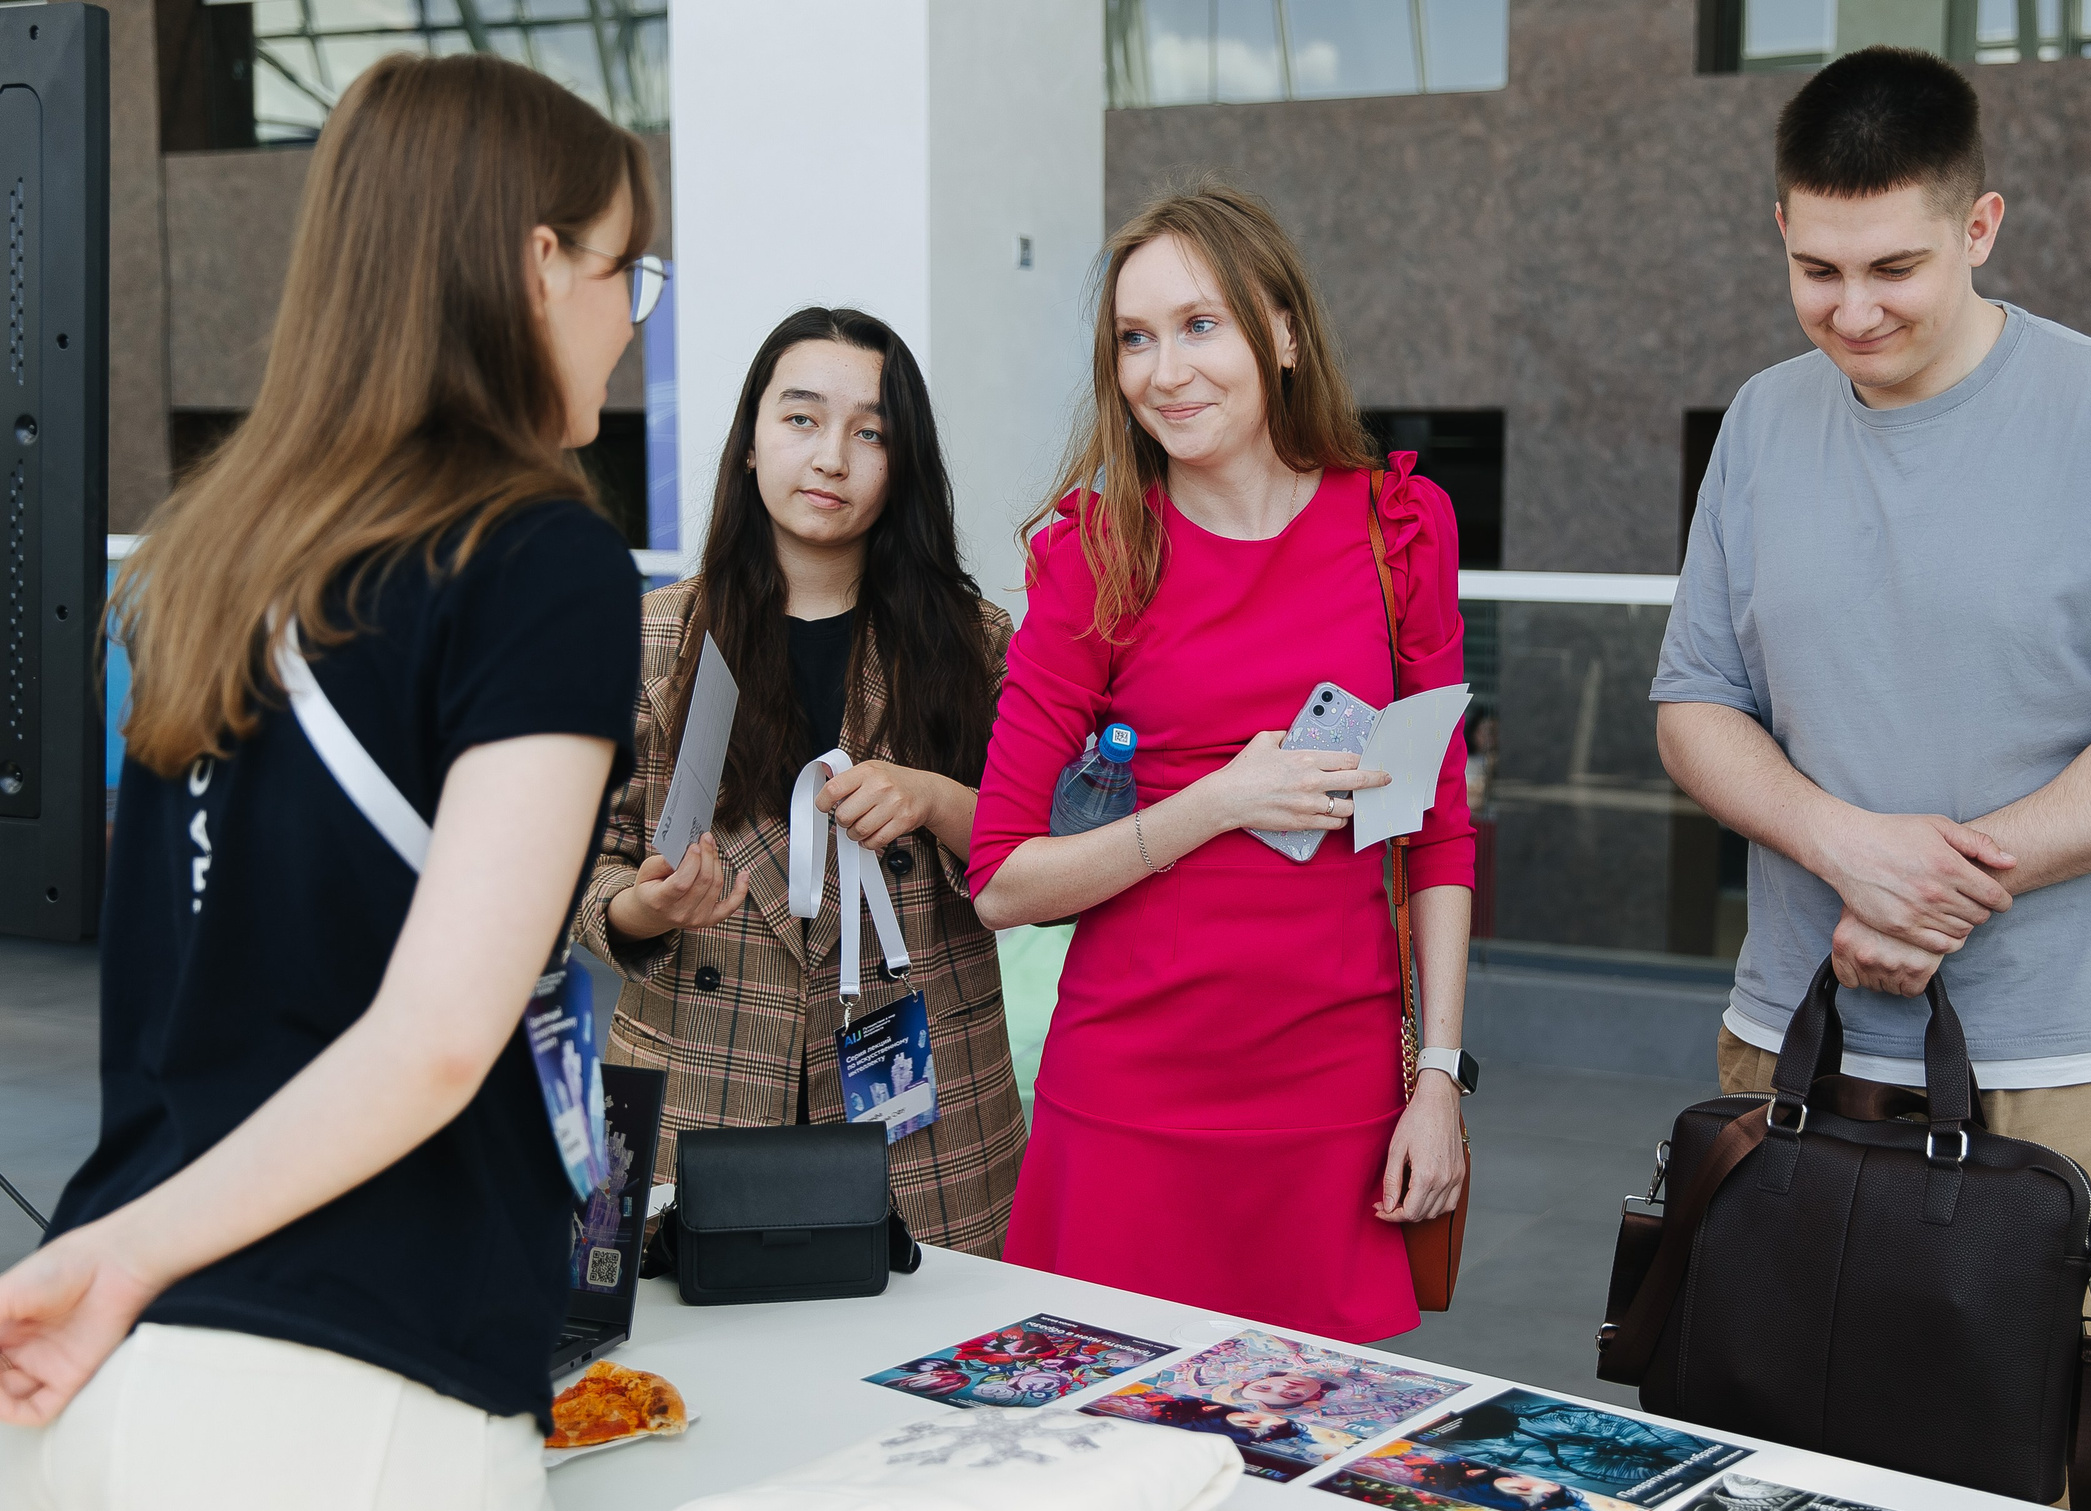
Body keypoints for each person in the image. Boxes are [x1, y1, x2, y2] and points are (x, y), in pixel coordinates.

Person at [0, 55, 654, 1511]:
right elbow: (438, 1034)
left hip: (86, 1401)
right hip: (334, 1413)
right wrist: (127, 1258)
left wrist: (119, 1257)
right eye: (623, 269)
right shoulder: (540, 557)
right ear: (536, 265)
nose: (632, 321)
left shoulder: (212, 555)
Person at [1647, 46, 2091, 1511]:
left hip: (2049, 1075)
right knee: (1770, 1487)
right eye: (1817, 269)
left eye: (1895, 268)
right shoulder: (1766, 424)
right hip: (1785, 1048)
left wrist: (1952, 876)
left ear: (1982, 225)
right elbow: (1697, 704)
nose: (1851, 310)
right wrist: (1843, 844)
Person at [970, 181, 1473, 1344]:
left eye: (1199, 325)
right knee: (1106, 1423)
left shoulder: (1399, 531)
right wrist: (1216, 800)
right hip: (1131, 1097)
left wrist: (1439, 1078)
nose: (1165, 371)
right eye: (1134, 339)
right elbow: (1001, 882)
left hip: (1337, 1093)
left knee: (1308, 1432)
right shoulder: (1095, 558)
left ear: (1283, 333)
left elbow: (1437, 829)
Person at [573, 308, 1024, 1255]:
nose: (831, 458)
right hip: (696, 1090)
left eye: (871, 433)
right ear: (750, 442)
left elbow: (1037, 855)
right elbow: (580, 869)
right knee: (682, 1342)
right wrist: (646, 908)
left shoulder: (972, 641)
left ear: (903, 464)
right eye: (801, 419)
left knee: (936, 1343)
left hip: (928, 1122)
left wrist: (935, 800)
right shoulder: (651, 638)